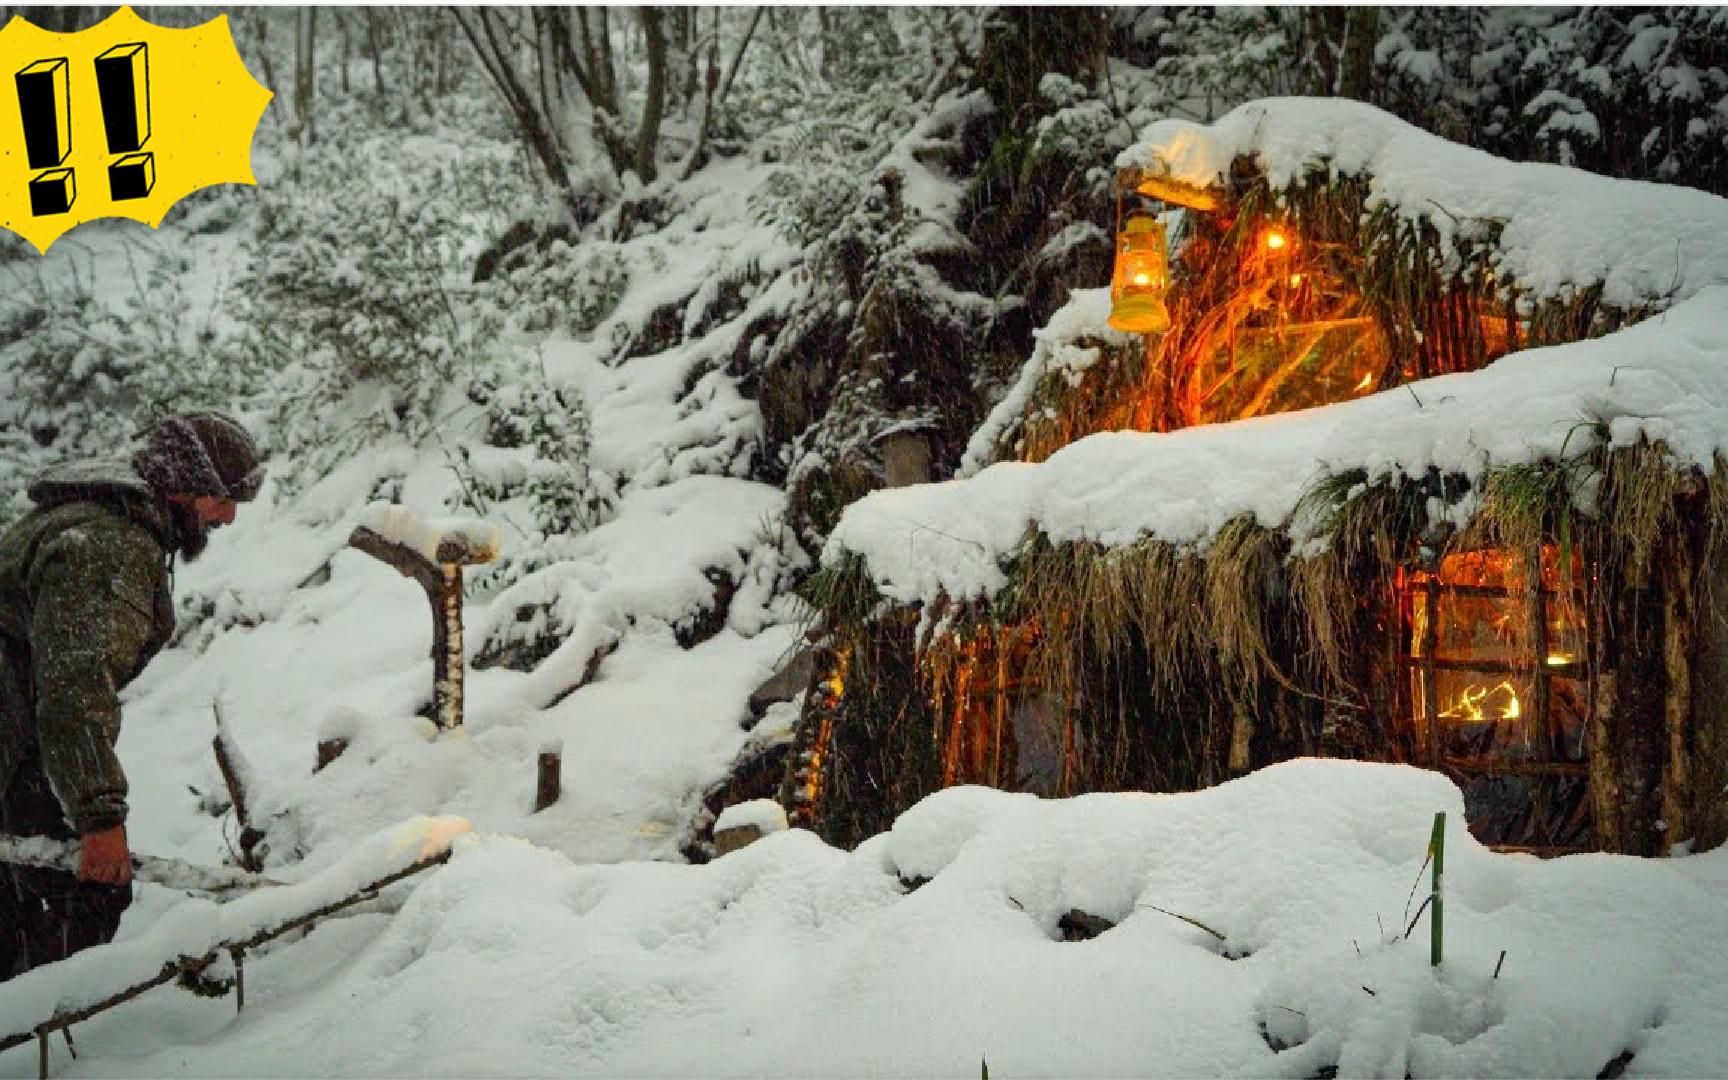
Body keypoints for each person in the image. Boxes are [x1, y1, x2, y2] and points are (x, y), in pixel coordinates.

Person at [0, 412, 263, 980]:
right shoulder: (106, 547)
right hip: (17, 748)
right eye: (225, 497)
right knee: (75, 901)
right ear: (185, 483)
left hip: (20, 744)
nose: (230, 515)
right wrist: (99, 818)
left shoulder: (103, 521)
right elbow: (74, 687)